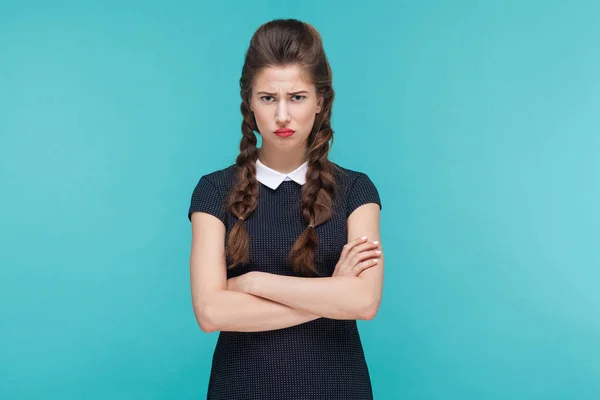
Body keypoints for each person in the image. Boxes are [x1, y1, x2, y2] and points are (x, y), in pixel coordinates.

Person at [187, 18, 384, 400]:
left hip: (337, 388)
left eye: (297, 97)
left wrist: (253, 283)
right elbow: (211, 312)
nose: (282, 116)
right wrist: (331, 295)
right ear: (249, 101)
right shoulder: (213, 192)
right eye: (268, 98)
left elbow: (364, 301)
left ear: (320, 101)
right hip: (241, 388)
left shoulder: (356, 190)